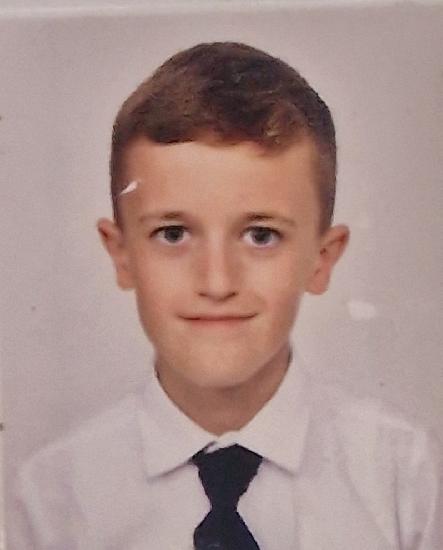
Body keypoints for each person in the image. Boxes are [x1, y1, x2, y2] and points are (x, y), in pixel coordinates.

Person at [11, 42, 442, 549]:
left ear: (322, 258)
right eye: (173, 234)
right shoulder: (51, 499)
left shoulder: (403, 476)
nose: (217, 283)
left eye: (261, 235)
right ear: (121, 254)